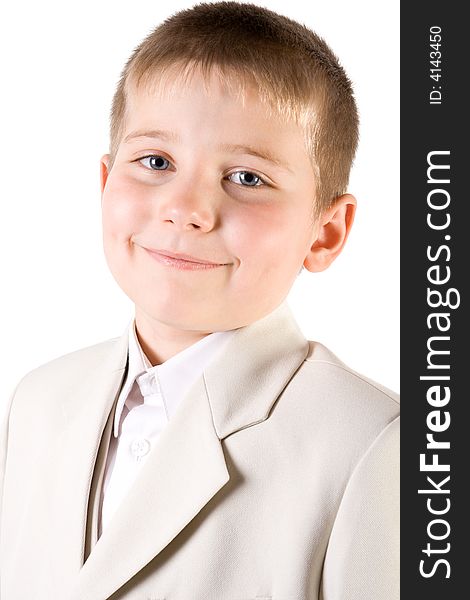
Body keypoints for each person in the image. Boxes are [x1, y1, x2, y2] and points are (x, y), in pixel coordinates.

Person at [0, 2, 399, 598]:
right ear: (105, 184)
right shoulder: (39, 399)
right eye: (155, 161)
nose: (186, 209)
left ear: (325, 232)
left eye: (247, 178)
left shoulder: (376, 445)